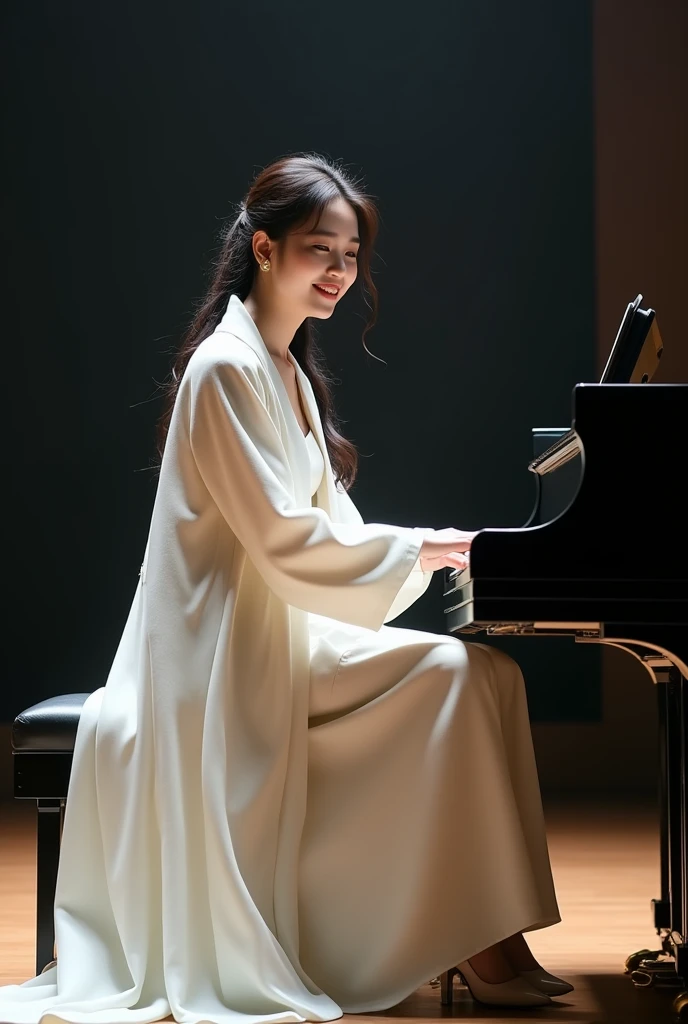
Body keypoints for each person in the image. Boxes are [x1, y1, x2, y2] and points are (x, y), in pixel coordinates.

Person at [0, 152, 570, 1024]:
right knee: (457, 678)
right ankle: (478, 942)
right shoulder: (225, 368)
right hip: (221, 653)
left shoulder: (285, 370)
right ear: (264, 250)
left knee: (489, 676)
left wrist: (433, 544)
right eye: (320, 250)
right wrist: (423, 554)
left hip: (284, 629)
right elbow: (282, 539)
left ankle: (489, 931)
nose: (339, 272)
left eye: (350, 255)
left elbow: (332, 526)